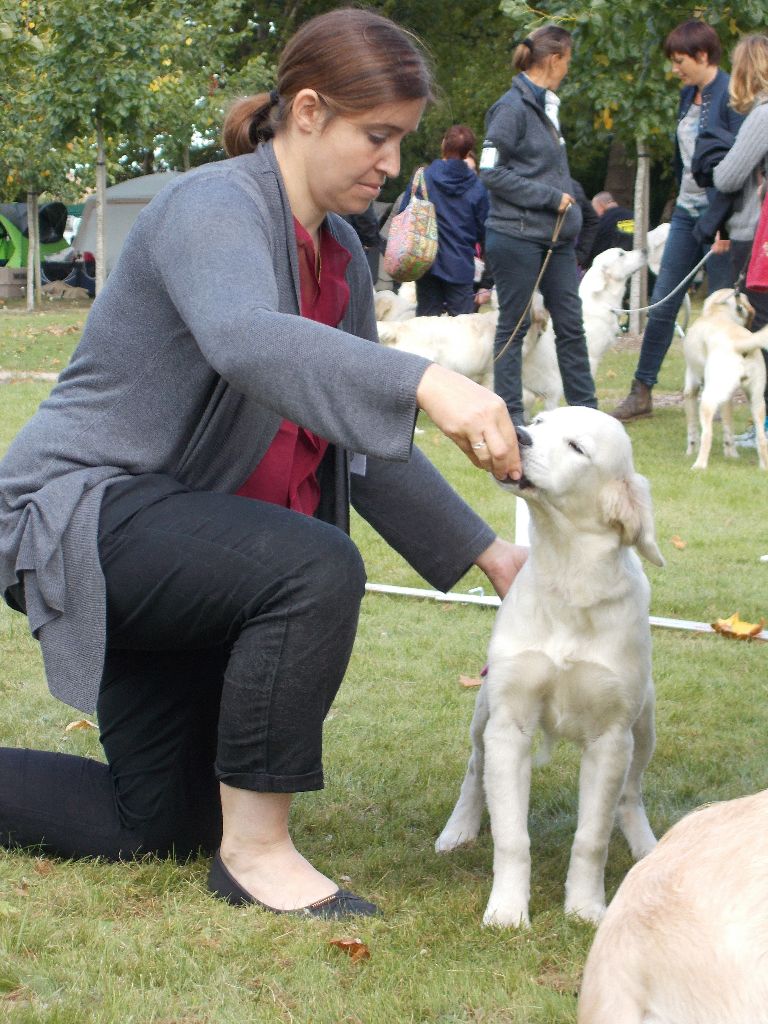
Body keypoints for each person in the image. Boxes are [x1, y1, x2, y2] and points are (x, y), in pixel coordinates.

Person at [0, 9, 526, 920]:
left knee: (156, 822)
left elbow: (359, 442)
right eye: (378, 136)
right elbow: (245, 339)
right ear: (310, 111)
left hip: (189, 550)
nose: (392, 164)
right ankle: (258, 854)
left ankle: (219, 834)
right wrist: (429, 379)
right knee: (313, 563)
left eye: (401, 140)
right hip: (74, 514)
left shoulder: (342, 261)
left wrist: (492, 556)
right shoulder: (214, 205)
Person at [612, 19, 742, 422]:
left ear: (703, 55)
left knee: (721, 309)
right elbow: (682, 157)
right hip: (687, 214)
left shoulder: (732, 97)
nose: (675, 69)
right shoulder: (689, 95)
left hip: (723, 220)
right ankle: (642, 391)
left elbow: (737, 167)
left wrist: (722, 226)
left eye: (680, 60)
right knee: (663, 301)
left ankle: (719, 400)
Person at [480, 25, 597, 425]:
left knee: (571, 325)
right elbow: (490, 172)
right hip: (516, 236)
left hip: (557, 238)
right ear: (554, 59)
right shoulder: (511, 109)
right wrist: (550, 197)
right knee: (514, 328)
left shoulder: (547, 107)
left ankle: (586, 414)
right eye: (568, 60)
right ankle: (510, 416)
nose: (569, 68)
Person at [712, 33, 768, 449]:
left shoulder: (763, 115)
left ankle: (762, 425)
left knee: (760, 330)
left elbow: (728, 175)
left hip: (756, 234)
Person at [400, 124, 489, 316]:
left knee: (427, 329)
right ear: (468, 153)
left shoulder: (424, 177)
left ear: (443, 145)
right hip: (460, 267)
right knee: (461, 331)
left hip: (426, 263)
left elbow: (404, 213)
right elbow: (485, 233)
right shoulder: (478, 188)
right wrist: (488, 280)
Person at [589, 191, 635, 264]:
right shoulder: (635, 216)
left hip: (616, 266)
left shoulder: (602, 222)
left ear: (601, 205)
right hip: (638, 262)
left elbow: (595, 248)